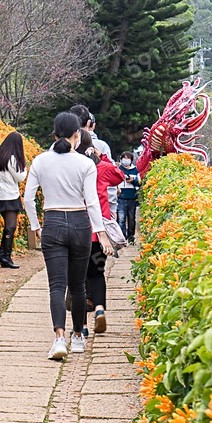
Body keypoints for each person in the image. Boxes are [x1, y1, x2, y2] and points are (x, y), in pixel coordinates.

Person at [24, 112, 114, 361]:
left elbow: (28, 199)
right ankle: (77, 337)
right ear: (78, 135)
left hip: (52, 221)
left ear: (54, 135)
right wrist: (101, 233)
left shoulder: (40, 161)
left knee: (56, 286)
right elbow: (92, 202)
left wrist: (35, 226)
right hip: (79, 223)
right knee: (77, 285)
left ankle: (59, 338)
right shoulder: (85, 164)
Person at [76, 132, 123, 336]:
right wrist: (102, 156)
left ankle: (82, 327)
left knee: (78, 279)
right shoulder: (101, 168)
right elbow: (119, 176)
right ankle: (100, 309)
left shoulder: (73, 168)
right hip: (99, 236)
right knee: (97, 274)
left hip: (77, 231)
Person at [0, 131, 28, 269]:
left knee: (9, 226)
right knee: (11, 226)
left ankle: (2, 255)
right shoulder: (12, 158)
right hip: (10, 195)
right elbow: (21, 177)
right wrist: (24, 167)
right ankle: (5, 256)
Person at [117, 151, 140, 243]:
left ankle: (131, 237)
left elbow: (139, 183)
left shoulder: (135, 170)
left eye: (128, 158)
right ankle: (123, 238)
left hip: (132, 198)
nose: (126, 160)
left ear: (131, 160)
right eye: (124, 158)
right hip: (120, 198)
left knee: (131, 219)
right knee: (121, 219)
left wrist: (132, 181)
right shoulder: (118, 169)